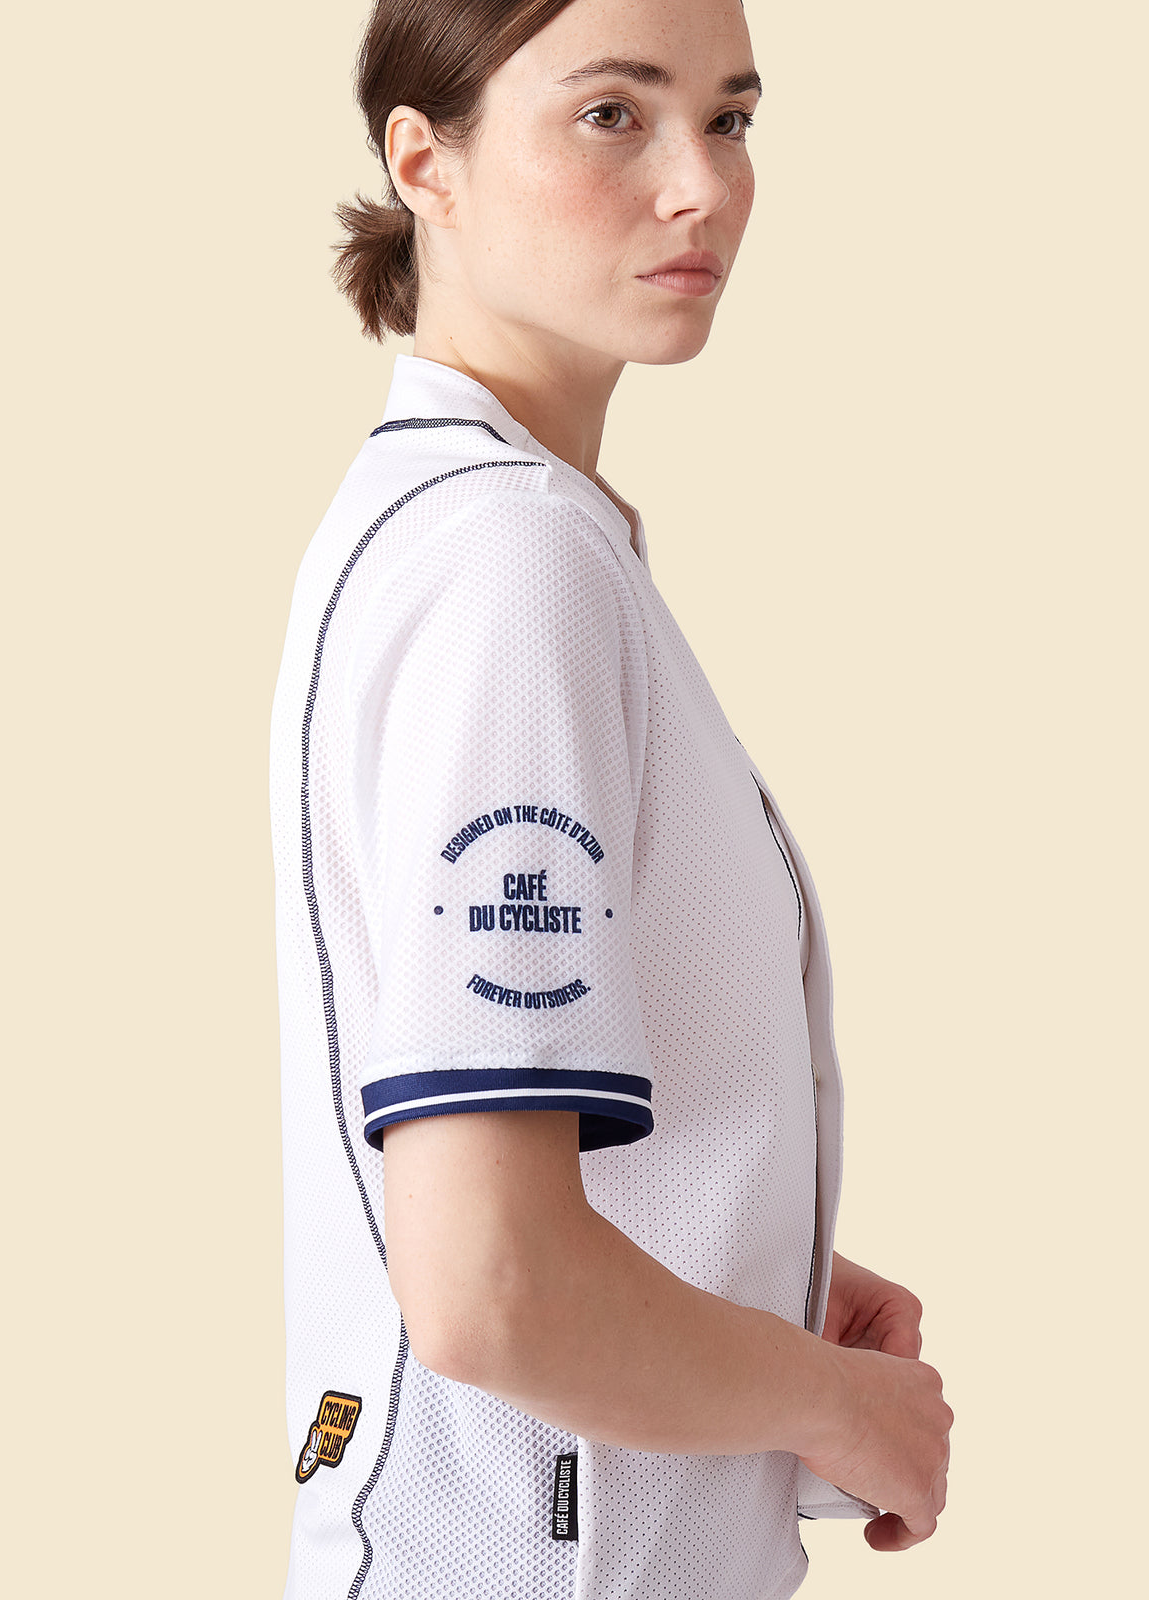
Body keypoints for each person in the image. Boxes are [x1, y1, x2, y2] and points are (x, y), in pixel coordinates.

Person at [268, 1, 954, 1596]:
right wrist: (837, 1406)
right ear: (423, 161)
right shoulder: (509, 564)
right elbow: (493, 1287)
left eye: (731, 119)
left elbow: (482, 1158)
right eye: (611, 115)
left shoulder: (479, 529)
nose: (700, 184)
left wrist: (763, 1264)